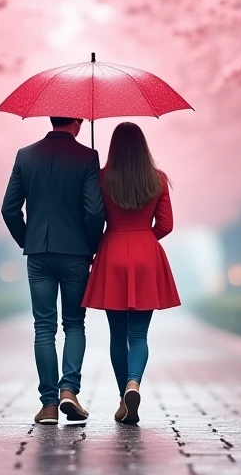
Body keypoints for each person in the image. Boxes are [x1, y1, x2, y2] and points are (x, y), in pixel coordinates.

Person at [1, 116, 106, 425]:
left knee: (43, 327)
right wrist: (92, 245)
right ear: (76, 121)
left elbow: (9, 209)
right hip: (76, 252)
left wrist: (29, 239)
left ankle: (48, 405)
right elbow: (95, 210)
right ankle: (69, 390)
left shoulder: (25, 155)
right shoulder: (88, 157)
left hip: (38, 253)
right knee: (74, 323)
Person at [82, 122, 180, 425]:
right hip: (146, 254)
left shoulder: (100, 178)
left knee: (117, 334)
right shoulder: (158, 179)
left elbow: (92, 218)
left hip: (112, 252)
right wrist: (144, 238)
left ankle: (122, 396)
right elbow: (166, 225)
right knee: (138, 334)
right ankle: (133, 384)